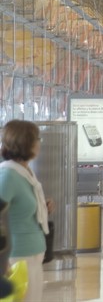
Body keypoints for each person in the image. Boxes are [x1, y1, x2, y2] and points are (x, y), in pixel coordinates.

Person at [0, 120, 53, 302]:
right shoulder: (8, 176)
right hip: (17, 257)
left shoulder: (25, 172)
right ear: (26, 143)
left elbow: (19, 209)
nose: (39, 142)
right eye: (37, 138)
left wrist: (42, 207)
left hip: (32, 252)